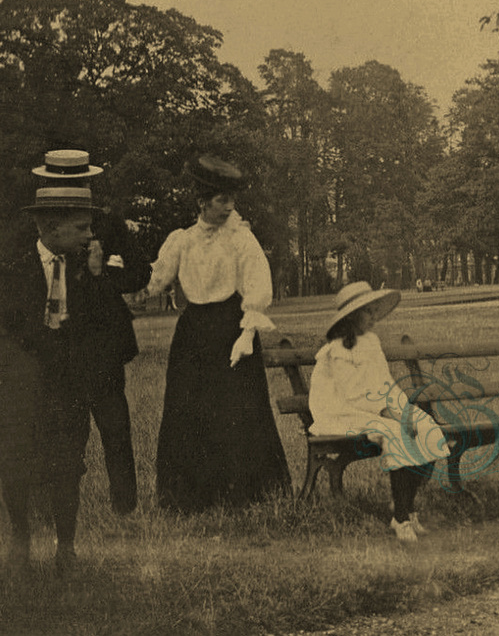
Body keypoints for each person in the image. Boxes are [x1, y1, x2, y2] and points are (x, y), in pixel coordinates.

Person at [145, 156, 290, 513]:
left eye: (232, 200)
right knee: (187, 408)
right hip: (193, 333)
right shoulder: (182, 240)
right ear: (202, 202)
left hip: (232, 328)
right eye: (222, 200)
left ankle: (243, 493)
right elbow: (156, 282)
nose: (229, 207)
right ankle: (188, 497)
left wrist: (247, 333)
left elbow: (257, 286)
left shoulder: (242, 240)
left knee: (235, 410)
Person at [0, 187, 132, 571]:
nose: (90, 236)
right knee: (16, 463)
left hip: (70, 385)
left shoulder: (87, 267)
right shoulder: (11, 269)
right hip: (23, 385)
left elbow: (106, 323)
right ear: (50, 228)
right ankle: (21, 534)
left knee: (67, 464)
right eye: (81, 228)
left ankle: (65, 546)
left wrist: (95, 277)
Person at [30, 149, 150, 514]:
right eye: (60, 183)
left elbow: (140, 273)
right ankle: (59, 504)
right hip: (57, 341)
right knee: (65, 426)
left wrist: (102, 274)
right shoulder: (39, 227)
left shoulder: (107, 223)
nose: (70, 189)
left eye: (77, 183)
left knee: (114, 426)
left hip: (100, 342)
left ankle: (124, 506)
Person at [309, 282, 449, 542]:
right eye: (367, 312)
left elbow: (385, 383)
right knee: (396, 433)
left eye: (374, 311)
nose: (373, 317)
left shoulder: (372, 341)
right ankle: (401, 519)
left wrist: (403, 411)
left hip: (378, 409)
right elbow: (352, 394)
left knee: (427, 428)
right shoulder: (337, 349)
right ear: (351, 316)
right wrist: (389, 414)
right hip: (344, 413)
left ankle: (407, 505)